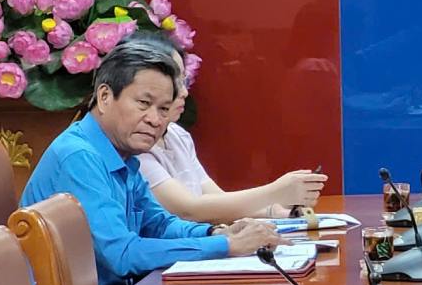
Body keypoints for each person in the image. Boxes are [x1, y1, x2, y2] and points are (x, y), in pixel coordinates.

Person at [21, 39, 283, 285]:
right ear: (105, 97)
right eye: (143, 104)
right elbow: (122, 254)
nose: (155, 120)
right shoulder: (79, 156)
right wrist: (228, 246)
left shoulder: (123, 152)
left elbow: (159, 225)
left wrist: (215, 234)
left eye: (163, 109)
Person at [138, 40, 328, 224]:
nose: (184, 92)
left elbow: (217, 200)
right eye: (174, 83)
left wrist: (274, 211)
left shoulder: (177, 135)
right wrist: (276, 192)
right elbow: (190, 210)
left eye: (183, 81)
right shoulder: (137, 147)